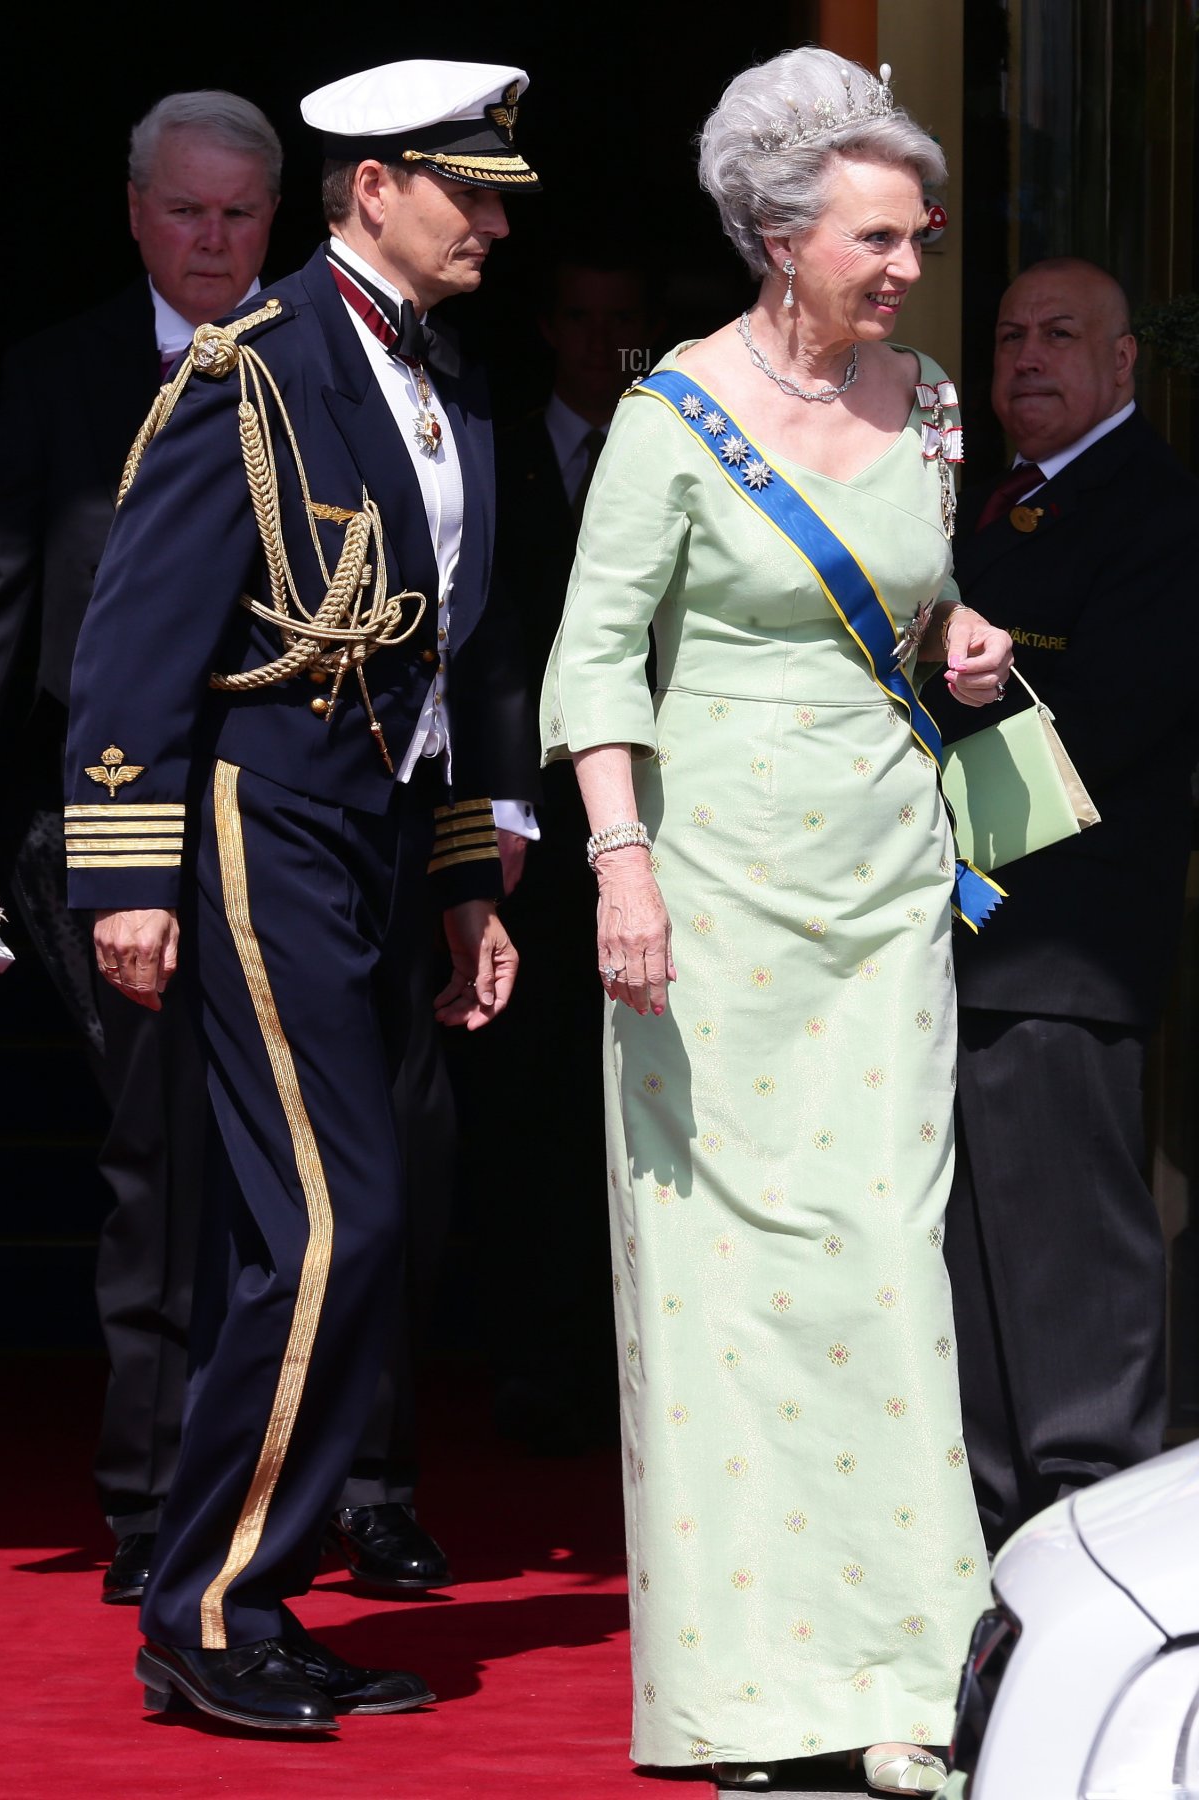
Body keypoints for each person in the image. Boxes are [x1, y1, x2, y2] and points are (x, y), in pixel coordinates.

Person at [541, 47, 1012, 1793]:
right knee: (730, 1281)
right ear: (780, 234)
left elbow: (913, 595)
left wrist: (958, 639)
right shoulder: (673, 418)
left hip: (886, 886)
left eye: (921, 233)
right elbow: (595, 658)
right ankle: (754, 1696)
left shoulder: (933, 402)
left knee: (885, 1264)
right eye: (880, 238)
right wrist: (623, 868)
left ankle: (904, 1680)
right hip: (712, 895)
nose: (908, 266)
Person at [62, 57, 537, 1732]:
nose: (493, 218)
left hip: (383, 843)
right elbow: (137, 632)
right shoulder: (252, 372)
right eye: (465, 187)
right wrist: (124, 870)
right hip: (266, 828)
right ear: (370, 186)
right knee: (338, 1225)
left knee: (347, 1227)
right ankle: (204, 1610)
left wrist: (476, 876)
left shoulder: (445, 378)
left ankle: (237, 1597)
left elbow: (463, 661)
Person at [0, 88, 456, 1610]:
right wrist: (103, 867)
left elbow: (445, 632)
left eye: (238, 212)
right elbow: (68, 642)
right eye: (185, 211)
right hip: (147, 822)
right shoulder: (108, 381)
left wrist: (461, 846)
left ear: (283, 213)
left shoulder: (375, 368)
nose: (211, 238)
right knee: (175, 1177)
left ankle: (351, 1499)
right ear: (135, 213)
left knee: (347, 1183)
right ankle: (164, 1520)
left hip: (338, 830)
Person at [926, 257, 1199, 1554]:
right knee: (977, 1266)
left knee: (1076, 1272)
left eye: (1061, 336)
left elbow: (1111, 728)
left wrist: (911, 827)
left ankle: (1095, 1535)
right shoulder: (988, 508)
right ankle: (996, 1536)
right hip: (968, 948)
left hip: (1062, 950)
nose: (1027, 356)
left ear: (1125, 362)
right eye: (1010, 335)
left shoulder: (1154, 507)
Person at [452, 251, 654, 1456]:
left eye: (623, 320)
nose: (600, 342)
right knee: (529, 1101)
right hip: (529, 831)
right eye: (580, 320)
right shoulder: (495, 449)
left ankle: (637, 1355)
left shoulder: (683, 445)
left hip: (652, 831)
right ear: (546, 329)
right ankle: (533, 1357)